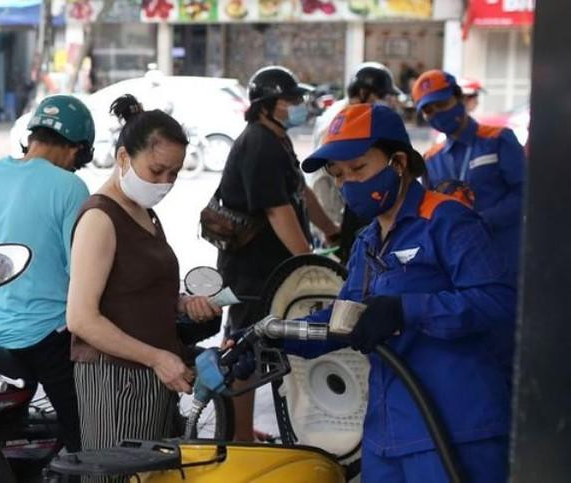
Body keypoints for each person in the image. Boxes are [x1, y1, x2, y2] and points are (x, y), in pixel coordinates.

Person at [291, 103, 516, 482]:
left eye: (358, 168)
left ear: (398, 162)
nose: (348, 184)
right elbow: (346, 316)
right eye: (338, 175)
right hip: (387, 434)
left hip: (454, 429)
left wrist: (406, 310)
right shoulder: (367, 240)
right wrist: (276, 337)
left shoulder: (447, 220)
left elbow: (498, 302)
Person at [67, 94, 222, 450]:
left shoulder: (143, 211)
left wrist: (181, 303)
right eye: (156, 171)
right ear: (123, 157)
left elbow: (133, 287)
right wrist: (156, 358)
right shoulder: (99, 218)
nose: (165, 182)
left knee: (154, 471)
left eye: (174, 174)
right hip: (116, 379)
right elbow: (81, 319)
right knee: (120, 472)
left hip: (154, 376)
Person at [0, 94, 95, 453]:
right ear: (76, 150)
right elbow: (81, 269)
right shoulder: (70, 187)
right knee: (86, 430)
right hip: (39, 336)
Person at [217, 65, 339, 441]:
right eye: (290, 99)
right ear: (267, 105)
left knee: (258, 349)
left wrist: (331, 230)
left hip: (269, 270)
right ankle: (237, 437)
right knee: (242, 354)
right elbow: (276, 210)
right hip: (251, 273)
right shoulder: (258, 143)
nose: (298, 105)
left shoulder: (278, 140)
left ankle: (242, 428)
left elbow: (300, 192)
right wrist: (307, 262)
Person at [412, 69, 525, 279]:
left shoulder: (498, 139)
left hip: (504, 256)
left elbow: (525, 194)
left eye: (441, 104)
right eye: (428, 110)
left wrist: (483, 220)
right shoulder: (431, 159)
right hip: (458, 264)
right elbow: (428, 212)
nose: (437, 114)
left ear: (459, 98)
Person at [310, 62, 403, 264]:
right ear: (363, 92)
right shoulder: (339, 121)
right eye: (383, 95)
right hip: (340, 214)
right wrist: (330, 224)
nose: (387, 101)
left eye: (358, 167)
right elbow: (322, 179)